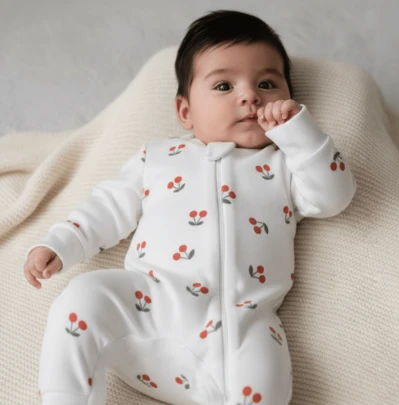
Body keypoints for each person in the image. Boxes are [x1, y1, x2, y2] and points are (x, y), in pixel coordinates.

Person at [24, 9, 357, 405]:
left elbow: (334, 195)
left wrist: (298, 132)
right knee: (84, 298)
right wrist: (60, 243)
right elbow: (108, 206)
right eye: (224, 86)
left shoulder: (286, 165)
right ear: (185, 111)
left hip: (240, 328)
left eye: (267, 84)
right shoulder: (158, 158)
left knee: (266, 377)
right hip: (149, 310)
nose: (250, 96)